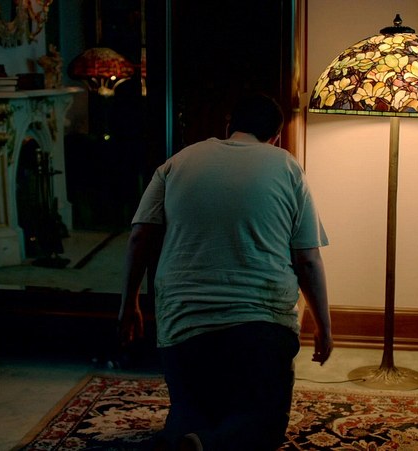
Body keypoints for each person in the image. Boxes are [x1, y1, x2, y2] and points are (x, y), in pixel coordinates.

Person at [118, 93, 333, 451]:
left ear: (229, 124)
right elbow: (307, 259)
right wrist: (324, 327)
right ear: (276, 136)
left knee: (192, 411)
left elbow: (140, 236)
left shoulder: (177, 162)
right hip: (261, 327)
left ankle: (189, 434)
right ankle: (206, 441)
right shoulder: (286, 166)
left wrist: (129, 306)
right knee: (263, 427)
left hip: (185, 327)